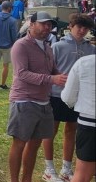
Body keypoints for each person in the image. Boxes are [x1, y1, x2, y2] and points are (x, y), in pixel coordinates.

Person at [7, 11, 68, 182]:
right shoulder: (21, 45)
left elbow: (52, 69)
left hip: (44, 101)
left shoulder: (48, 47)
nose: (47, 28)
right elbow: (21, 74)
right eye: (43, 24)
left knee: (35, 144)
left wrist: (63, 76)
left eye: (49, 25)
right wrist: (52, 79)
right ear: (31, 24)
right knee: (19, 143)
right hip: (24, 101)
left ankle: (27, 179)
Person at [41, 14, 96, 181]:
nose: (82, 30)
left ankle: (67, 168)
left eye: (86, 28)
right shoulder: (57, 46)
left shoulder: (91, 49)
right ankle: (49, 168)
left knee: (71, 131)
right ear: (70, 26)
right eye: (79, 26)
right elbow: (48, 70)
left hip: (78, 98)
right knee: (51, 130)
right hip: (57, 95)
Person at [61, 54, 95, 182]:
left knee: (82, 174)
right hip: (89, 122)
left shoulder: (84, 63)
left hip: (89, 123)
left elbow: (68, 97)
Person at [0, 1, 19, 92]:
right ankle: (2, 84)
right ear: (9, 8)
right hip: (7, 46)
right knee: (5, 66)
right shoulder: (12, 21)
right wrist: (14, 43)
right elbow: (14, 35)